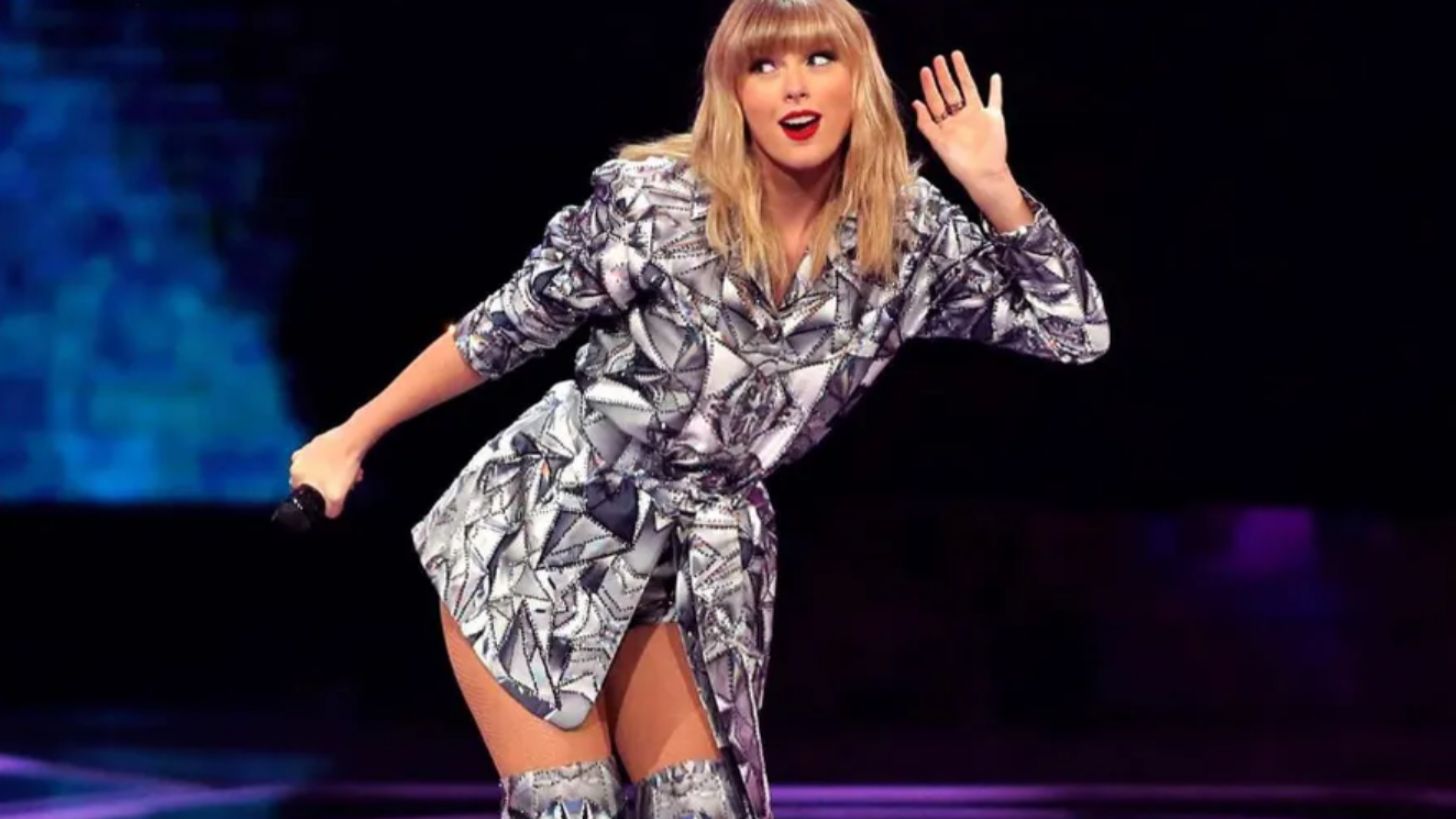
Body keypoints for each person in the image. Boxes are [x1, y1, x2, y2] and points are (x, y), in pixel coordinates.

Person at [288, 0, 1110, 816]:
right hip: (550, 523)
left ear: (860, 80)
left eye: (819, 59)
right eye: (764, 66)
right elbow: (502, 328)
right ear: (733, 92)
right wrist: (352, 435)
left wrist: (993, 186)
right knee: (571, 805)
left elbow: (1075, 331)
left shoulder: (908, 233)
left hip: (704, 556)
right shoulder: (656, 202)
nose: (794, 87)